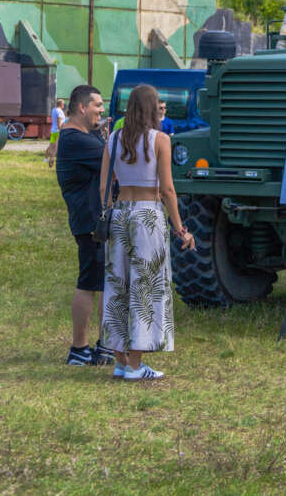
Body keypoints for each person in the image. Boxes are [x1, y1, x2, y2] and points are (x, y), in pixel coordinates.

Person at [100, 84, 194, 381]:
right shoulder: (160, 140)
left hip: (120, 214)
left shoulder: (113, 140)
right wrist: (180, 228)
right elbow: (166, 189)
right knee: (144, 284)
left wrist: (114, 207)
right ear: (153, 109)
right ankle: (136, 364)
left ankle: (120, 360)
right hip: (148, 214)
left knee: (118, 284)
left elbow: (104, 187)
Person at [55, 85, 114, 366]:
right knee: (91, 282)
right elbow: (113, 158)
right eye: (98, 105)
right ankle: (81, 348)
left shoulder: (79, 137)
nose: (101, 111)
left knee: (99, 282)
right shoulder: (76, 140)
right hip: (91, 222)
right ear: (82, 107)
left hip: (90, 220)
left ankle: (101, 346)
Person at [46, 98, 66, 168]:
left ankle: (45, 159)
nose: (64, 105)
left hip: (53, 130)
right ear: (61, 104)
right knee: (56, 147)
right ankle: (52, 160)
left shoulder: (53, 110)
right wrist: (61, 130)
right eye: (63, 104)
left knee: (51, 145)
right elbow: (59, 122)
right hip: (58, 131)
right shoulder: (60, 111)